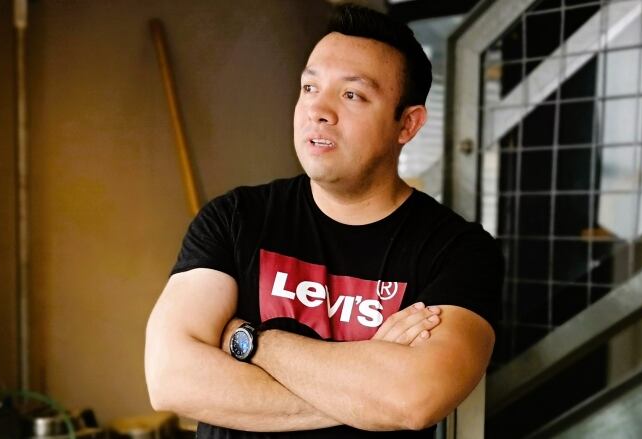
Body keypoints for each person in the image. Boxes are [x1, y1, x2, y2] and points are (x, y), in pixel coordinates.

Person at [145, 4, 503, 438]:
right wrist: (370, 383)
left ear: (407, 124)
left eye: (352, 95)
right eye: (310, 87)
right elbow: (169, 379)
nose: (319, 110)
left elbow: (414, 398)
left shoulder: (459, 250)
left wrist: (253, 342)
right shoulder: (235, 218)